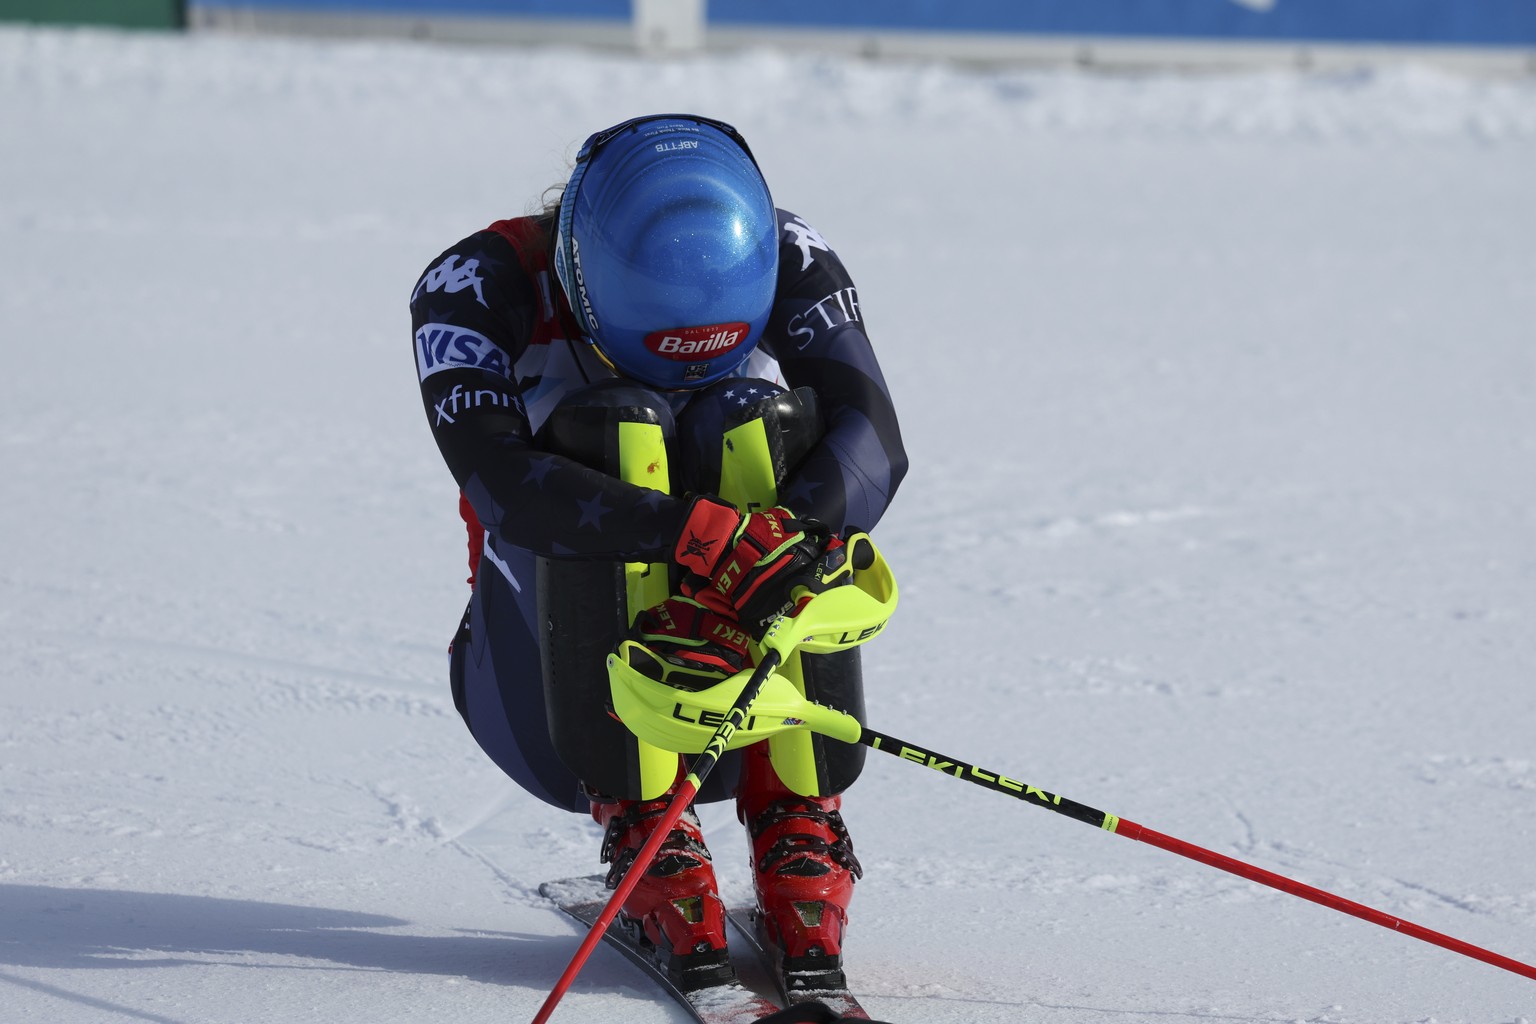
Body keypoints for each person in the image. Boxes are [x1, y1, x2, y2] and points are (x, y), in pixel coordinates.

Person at [410, 114, 907, 993]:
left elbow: (873, 437)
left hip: (747, 666)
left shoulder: (788, 250)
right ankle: (643, 819)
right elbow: (503, 487)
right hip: (545, 688)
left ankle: (799, 815)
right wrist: (700, 538)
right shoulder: (472, 286)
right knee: (617, 427)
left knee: (755, 426)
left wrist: (780, 543)